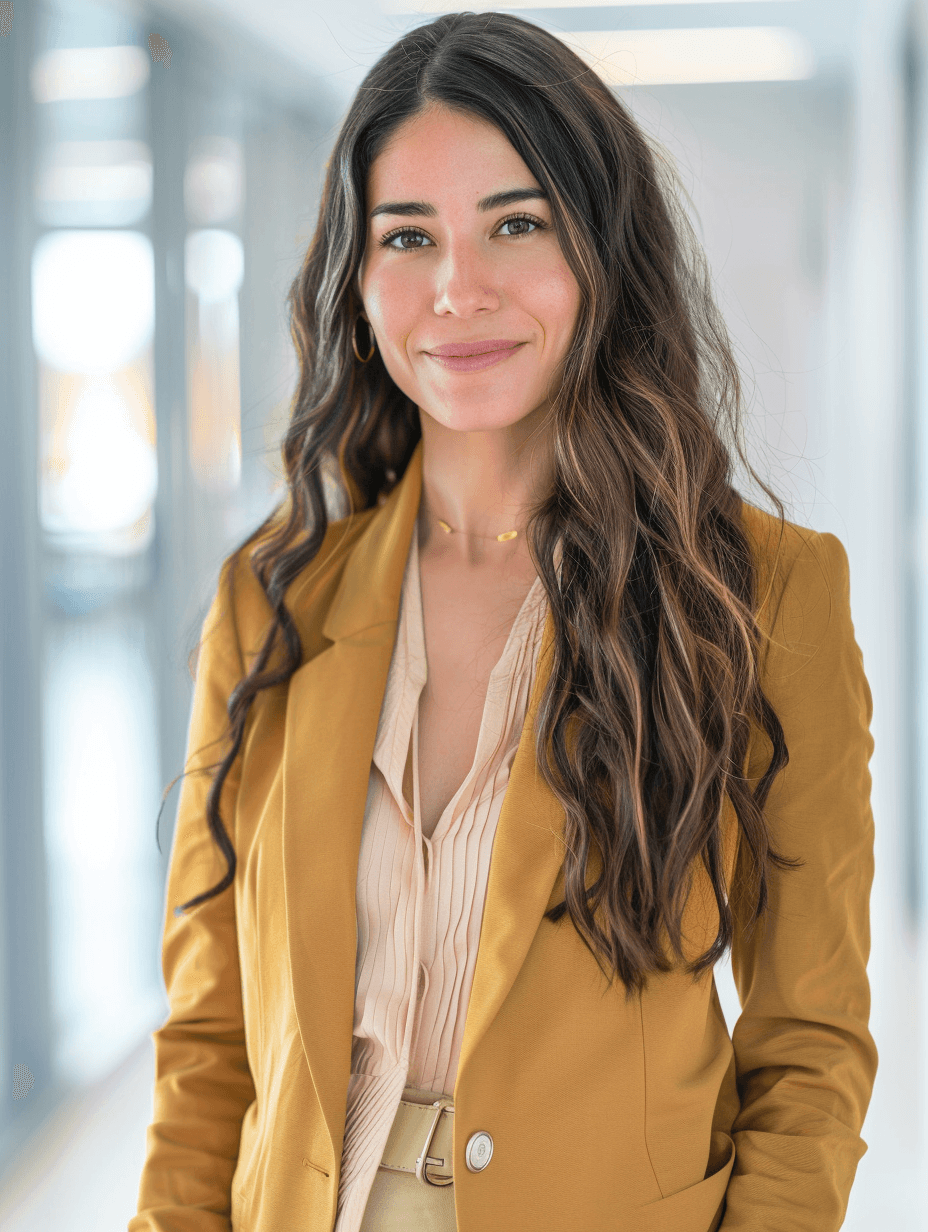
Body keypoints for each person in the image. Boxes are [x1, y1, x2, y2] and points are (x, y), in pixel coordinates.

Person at [130, 12, 877, 1232]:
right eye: (407, 236)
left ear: (600, 250)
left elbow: (808, 1048)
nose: (456, 287)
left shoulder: (759, 595)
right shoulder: (270, 600)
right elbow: (210, 1044)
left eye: (514, 223)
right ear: (357, 279)